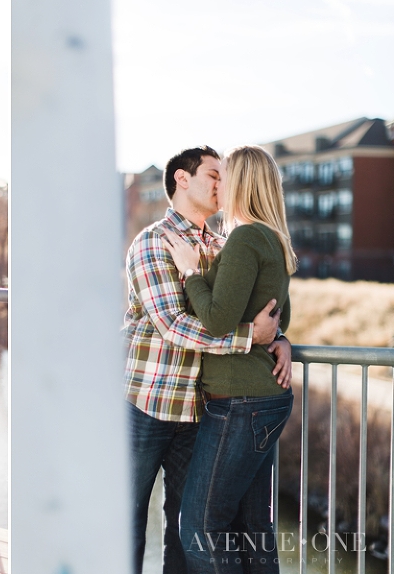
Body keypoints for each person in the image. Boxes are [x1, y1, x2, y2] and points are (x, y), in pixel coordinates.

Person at [124, 145, 292, 574]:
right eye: (214, 175)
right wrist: (248, 338)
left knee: (186, 529)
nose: (222, 184)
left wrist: (280, 339)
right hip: (148, 404)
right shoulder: (152, 242)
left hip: (199, 410)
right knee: (125, 520)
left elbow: (255, 304)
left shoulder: (225, 245)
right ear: (183, 179)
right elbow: (174, 325)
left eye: (225, 176)